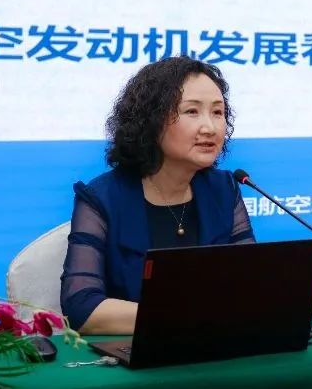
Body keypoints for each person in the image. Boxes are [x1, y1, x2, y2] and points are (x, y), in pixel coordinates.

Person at [60, 57, 256, 334]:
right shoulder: (102, 198)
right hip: (135, 353)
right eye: (191, 111)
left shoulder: (224, 189)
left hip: (213, 347)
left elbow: (249, 283)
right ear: (151, 120)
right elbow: (81, 307)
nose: (210, 128)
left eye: (217, 112)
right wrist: (183, 317)